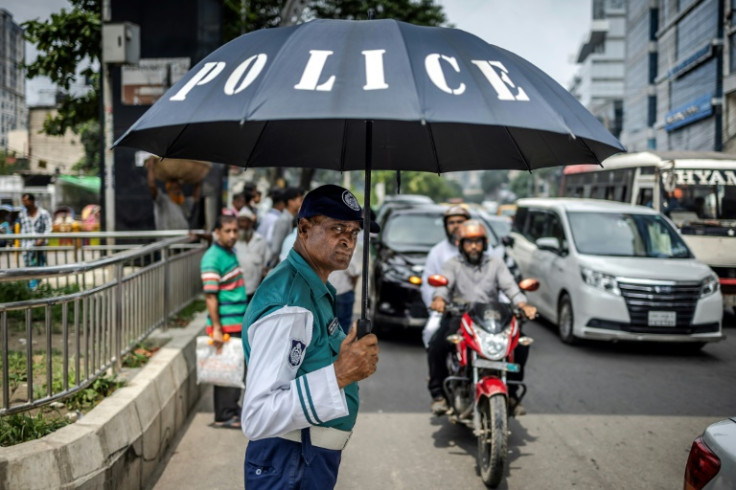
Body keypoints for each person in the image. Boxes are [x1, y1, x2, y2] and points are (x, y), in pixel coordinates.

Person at [241, 184, 379, 490]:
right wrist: (340, 374)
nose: (348, 240)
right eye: (337, 228)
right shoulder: (291, 304)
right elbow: (258, 415)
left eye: (355, 232)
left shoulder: (310, 288)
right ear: (304, 229)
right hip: (290, 460)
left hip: (304, 460)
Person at [427, 220, 537, 416]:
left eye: (478, 242)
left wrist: (523, 305)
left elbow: (511, 287)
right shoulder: (452, 264)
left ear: (485, 243)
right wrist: (438, 300)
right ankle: (439, 395)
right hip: (460, 316)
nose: (474, 246)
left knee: (520, 345)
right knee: (436, 344)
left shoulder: (495, 263)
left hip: (491, 316)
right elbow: (442, 287)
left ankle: (511, 393)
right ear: (460, 244)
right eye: (469, 242)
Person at [201, 215, 248, 429]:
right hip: (226, 326)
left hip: (235, 322)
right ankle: (224, 414)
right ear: (217, 232)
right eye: (227, 231)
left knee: (234, 368)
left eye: (235, 231)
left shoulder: (228, 253)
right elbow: (210, 296)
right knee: (227, 370)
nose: (232, 235)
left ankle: (231, 409)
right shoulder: (212, 258)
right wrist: (217, 329)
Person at [420, 206, 470, 347]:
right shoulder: (437, 252)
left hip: (480, 309)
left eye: (460, 221)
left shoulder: (485, 250)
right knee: (432, 331)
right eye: (451, 222)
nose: (456, 226)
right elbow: (429, 284)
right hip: (449, 309)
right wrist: (437, 303)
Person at [146, 158, 201, 230]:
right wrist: (151, 168)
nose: (177, 188)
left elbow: (195, 198)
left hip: (183, 240)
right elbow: (152, 186)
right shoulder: (162, 200)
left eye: (178, 187)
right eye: (175, 187)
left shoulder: (183, 202)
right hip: (167, 240)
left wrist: (198, 178)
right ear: (169, 188)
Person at [234, 207, 271, 302]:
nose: (242, 225)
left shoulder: (260, 240)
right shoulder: (233, 241)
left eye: (245, 221)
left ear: (251, 223)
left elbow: (266, 262)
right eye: (240, 221)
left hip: (255, 289)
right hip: (236, 289)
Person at [19, 193, 52, 288]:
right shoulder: (22, 214)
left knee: (39, 267)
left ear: (32, 201)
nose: (24, 203)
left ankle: (37, 286)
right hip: (26, 246)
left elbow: (49, 228)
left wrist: (42, 239)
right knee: (28, 267)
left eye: (26, 201)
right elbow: (22, 229)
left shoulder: (43, 213)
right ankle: (30, 288)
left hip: (39, 246)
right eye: (23, 201)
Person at [328, 242, 362, 334]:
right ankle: (340, 347)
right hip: (343, 293)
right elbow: (355, 273)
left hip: (327, 294)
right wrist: (353, 289)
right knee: (342, 326)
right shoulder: (346, 253)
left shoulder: (324, 250)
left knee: (327, 325)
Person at [267, 186, 303, 265]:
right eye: (300, 200)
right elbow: (276, 249)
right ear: (291, 202)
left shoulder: (292, 219)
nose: (302, 203)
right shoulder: (283, 220)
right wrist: (270, 266)